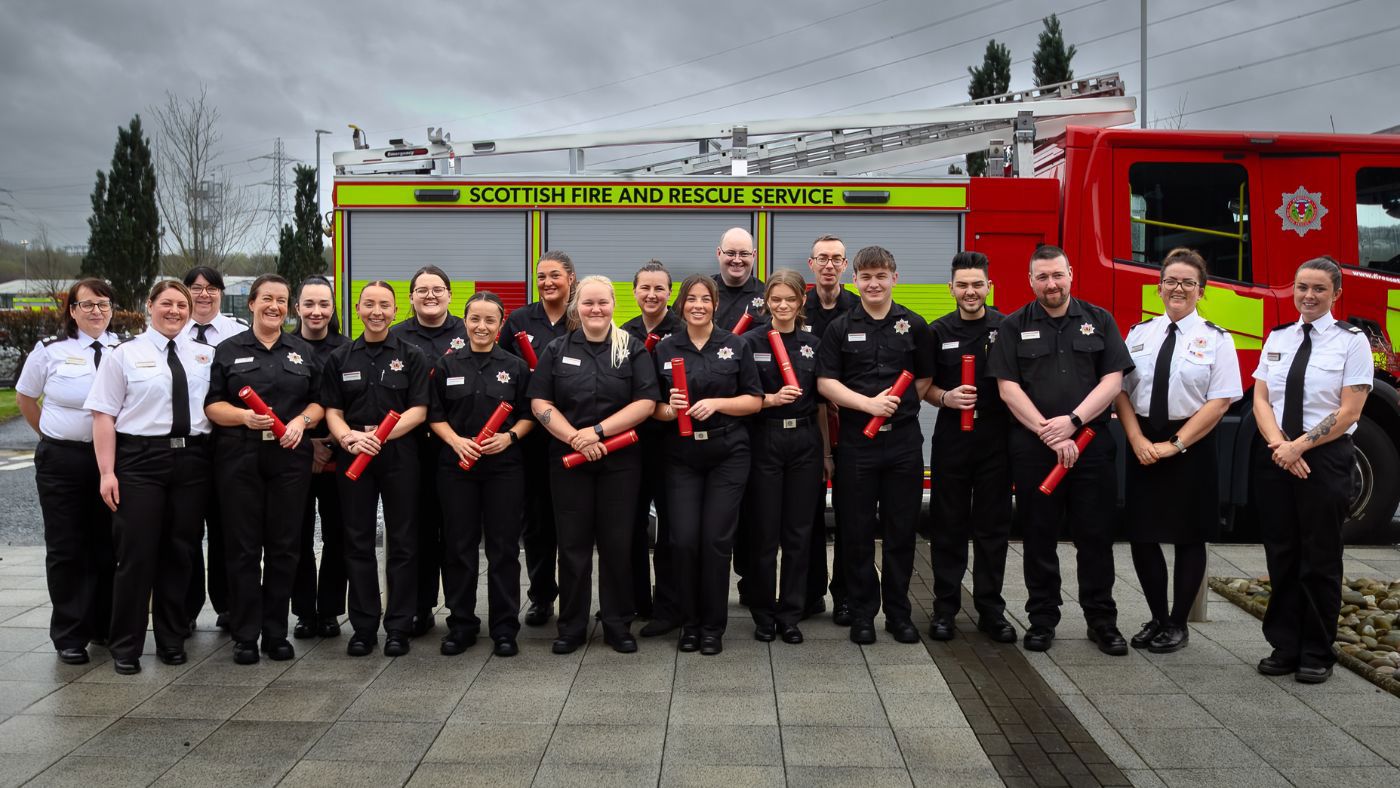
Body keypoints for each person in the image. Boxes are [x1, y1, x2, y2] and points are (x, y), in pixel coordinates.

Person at [989, 245, 1133, 655]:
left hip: (1090, 446)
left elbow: (1112, 381)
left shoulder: (1099, 320)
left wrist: (1072, 423)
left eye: (1057, 275)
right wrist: (1048, 432)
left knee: (1095, 537)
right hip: (1035, 451)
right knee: (1038, 537)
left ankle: (1102, 621)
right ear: (1030, 281)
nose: (1051, 284)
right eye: (1042, 277)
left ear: (1071, 274)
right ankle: (1041, 619)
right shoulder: (1014, 326)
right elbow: (1007, 388)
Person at [1115, 249, 1241, 654]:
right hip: (1144, 439)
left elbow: (1219, 402)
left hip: (1192, 444)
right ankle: (1156, 617)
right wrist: (1136, 440)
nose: (1178, 288)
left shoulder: (1218, 340)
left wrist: (1176, 445)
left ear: (1201, 291)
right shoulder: (1138, 335)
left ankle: (1178, 623)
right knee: (1142, 534)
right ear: (1158, 287)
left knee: (1190, 536)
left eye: (1188, 282)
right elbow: (1120, 391)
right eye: (1171, 281)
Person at [1252, 256, 1371, 684]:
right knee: (1281, 553)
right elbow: (1261, 399)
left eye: (1319, 289)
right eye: (1302, 287)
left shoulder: (1351, 342)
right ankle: (1284, 646)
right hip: (1279, 452)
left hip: (1325, 458)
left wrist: (1299, 446)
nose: (1308, 296)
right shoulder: (1279, 336)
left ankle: (1317, 652)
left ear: (1336, 294)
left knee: (1319, 557)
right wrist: (1280, 446)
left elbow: (1350, 409)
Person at [85, 280, 213, 675]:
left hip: (192, 459)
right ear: (149, 306)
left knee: (181, 552)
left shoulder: (206, 355)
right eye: (166, 304)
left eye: (181, 305)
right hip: (140, 460)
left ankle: (172, 640)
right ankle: (126, 645)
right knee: (136, 554)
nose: (174, 311)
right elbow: (103, 414)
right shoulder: (124, 354)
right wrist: (107, 472)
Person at [529, 275, 660, 654]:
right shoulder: (556, 350)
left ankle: (617, 623)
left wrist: (597, 433)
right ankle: (571, 625)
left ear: (613, 305)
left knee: (618, 544)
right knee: (572, 546)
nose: (596, 309)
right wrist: (574, 438)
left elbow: (645, 403)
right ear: (577, 307)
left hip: (620, 463)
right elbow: (541, 403)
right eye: (588, 303)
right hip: (569, 463)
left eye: (602, 302)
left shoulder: (631, 349)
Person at [816, 246, 934, 645]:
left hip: (902, 444)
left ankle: (899, 615)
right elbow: (826, 383)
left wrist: (895, 409)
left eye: (881, 276)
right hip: (856, 445)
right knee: (856, 531)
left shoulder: (915, 325)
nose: (874, 283)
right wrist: (868, 405)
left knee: (902, 532)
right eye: (866, 277)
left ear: (895, 279)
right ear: (856, 281)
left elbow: (923, 380)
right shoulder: (840, 328)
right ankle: (863, 614)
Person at [204, 274, 324, 665]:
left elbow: (318, 402)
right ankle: (245, 634)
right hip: (240, 457)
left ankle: (275, 632)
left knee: (284, 547)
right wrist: (241, 416)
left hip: (289, 458)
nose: (275, 306)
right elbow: (212, 406)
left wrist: (301, 423)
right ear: (252, 303)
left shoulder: (302, 352)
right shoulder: (227, 350)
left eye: (282, 300)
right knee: (241, 548)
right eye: (267, 298)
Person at [653, 274, 762, 655]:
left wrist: (717, 404)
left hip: (728, 453)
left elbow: (754, 400)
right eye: (691, 299)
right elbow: (652, 407)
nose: (698, 305)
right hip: (681, 456)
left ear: (716, 304)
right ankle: (690, 622)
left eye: (706, 299)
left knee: (715, 541)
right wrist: (671, 409)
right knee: (682, 540)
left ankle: (713, 627)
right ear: (680, 305)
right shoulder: (665, 349)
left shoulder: (736, 345)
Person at [16, 279, 121, 665]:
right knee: (66, 548)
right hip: (63, 461)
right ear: (72, 311)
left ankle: (105, 626)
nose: (96, 311)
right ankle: (69, 635)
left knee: (108, 545)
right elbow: (25, 397)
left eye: (103, 304)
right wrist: (49, 433)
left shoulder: (123, 349)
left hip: (110, 460)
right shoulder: (50, 351)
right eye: (87, 304)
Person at [321, 281, 429, 657]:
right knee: (357, 541)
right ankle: (364, 627)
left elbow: (419, 409)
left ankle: (399, 626)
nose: (377, 311)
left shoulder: (412, 355)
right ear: (357, 309)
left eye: (385, 305)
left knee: (402, 542)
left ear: (396, 310)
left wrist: (380, 438)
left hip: (399, 454)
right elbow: (332, 410)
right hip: (353, 454)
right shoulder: (340, 357)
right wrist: (349, 437)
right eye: (369, 304)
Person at [429, 291, 534, 658]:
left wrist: (509, 437)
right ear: (465, 320)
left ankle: (505, 628)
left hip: (503, 469)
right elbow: (434, 414)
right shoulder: (446, 366)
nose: (482, 326)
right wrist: (455, 441)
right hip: (457, 467)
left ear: (501, 324)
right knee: (458, 547)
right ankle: (462, 625)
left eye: (490, 320)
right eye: (475, 319)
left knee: (504, 549)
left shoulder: (516, 366)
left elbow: (528, 414)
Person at [923, 252, 1016, 643]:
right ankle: (945, 609)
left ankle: (991, 611)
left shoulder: (1007, 328)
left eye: (977, 284)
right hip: (952, 442)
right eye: (963, 285)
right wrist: (946, 397)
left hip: (997, 441)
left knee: (993, 529)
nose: (970, 291)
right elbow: (922, 386)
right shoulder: (936, 332)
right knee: (948, 527)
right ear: (951, 289)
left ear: (988, 287)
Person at [744, 269, 827, 644]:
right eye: (775, 299)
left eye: (789, 299)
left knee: (798, 532)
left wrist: (825, 451)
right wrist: (769, 401)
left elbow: (823, 404)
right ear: (766, 301)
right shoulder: (748, 342)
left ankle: (791, 614)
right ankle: (763, 614)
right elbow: (740, 397)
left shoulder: (813, 343)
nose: (782, 305)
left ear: (801, 302)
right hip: (765, 439)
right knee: (763, 533)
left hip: (805, 441)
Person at [389, 265, 467, 638]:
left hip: (456, 449)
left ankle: (458, 612)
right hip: (411, 450)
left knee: (455, 534)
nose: (430, 295)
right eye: (422, 290)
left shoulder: (469, 331)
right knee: (415, 533)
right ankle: (418, 609)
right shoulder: (396, 336)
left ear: (450, 295)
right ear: (411, 297)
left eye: (438, 289)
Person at [501, 251, 576, 627]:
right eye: (542, 277)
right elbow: (499, 366)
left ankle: (577, 600)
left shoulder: (581, 317)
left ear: (571, 279)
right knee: (537, 522)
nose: (548, 283)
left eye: (555, 276)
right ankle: (542, 596)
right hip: (531, 438)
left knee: (572, 522)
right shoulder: (518, 320)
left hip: (572, 435)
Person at [181, 265, 248, 633]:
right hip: (187, 446)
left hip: (227, 444)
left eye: (211, 288)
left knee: (228, 529)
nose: (203, 294)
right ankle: (186, 609)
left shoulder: (238, 333)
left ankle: (227, 606)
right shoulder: (171, 332)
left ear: (221, 293)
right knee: (186, 530)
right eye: (195, 287)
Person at [620, 261, 681, 632]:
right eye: (645, 288)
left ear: (670, 293)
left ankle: (667, 608)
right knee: (630, 526)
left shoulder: (684, 331)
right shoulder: (622, 334)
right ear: (635, 291)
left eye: (660, 289)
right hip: (630, 445)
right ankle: (633, 602)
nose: (652, 295)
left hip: (673, 447)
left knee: (671, 530)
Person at [290, 275, 350, 639]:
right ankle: (303, 611)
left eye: (323, 304)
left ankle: (329, 611)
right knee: (296, 537)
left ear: (333, 308)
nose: (316, 311)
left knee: (338, 535)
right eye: (309, 304)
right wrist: (307, 444)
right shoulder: (282, 347)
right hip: (294, 454)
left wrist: (331, 440)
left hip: (339, 454)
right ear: (297, 308)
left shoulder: (348, 349)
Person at [804, 234, 859, 624]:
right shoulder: (797, 306)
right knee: (806, 516)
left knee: (849, 515)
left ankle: (844, 596)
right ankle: (809, 595)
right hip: (807, 427)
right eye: (822, 258)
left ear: (845, 267)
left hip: (854, 425)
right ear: (811, 264)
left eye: (836, 259)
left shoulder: (858, 308)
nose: (828, 265)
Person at [711, 227, 767, 333]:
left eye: (744, 254)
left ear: (754, 255)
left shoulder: (767, 295)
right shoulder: (701, 291)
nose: (737, 260)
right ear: (719, 253)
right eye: (730, 253)